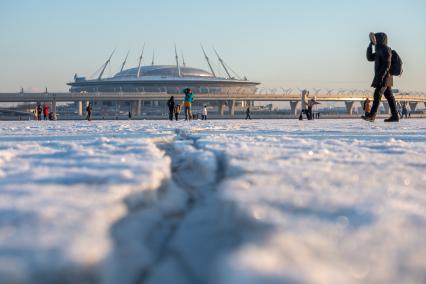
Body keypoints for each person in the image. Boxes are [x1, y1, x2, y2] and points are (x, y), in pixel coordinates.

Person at [362, 32, 399, 122]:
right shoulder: (380, 50)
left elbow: (387, 64)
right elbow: (370, 57)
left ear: (380, 39)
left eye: (375, 39)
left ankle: (372, 116)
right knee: (389, 96)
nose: (375, 40)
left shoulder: (385, 49)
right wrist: (370, 45)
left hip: (385, 76)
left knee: (377, 94)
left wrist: (381, 77)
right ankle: (395, 116)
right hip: (384, 76)